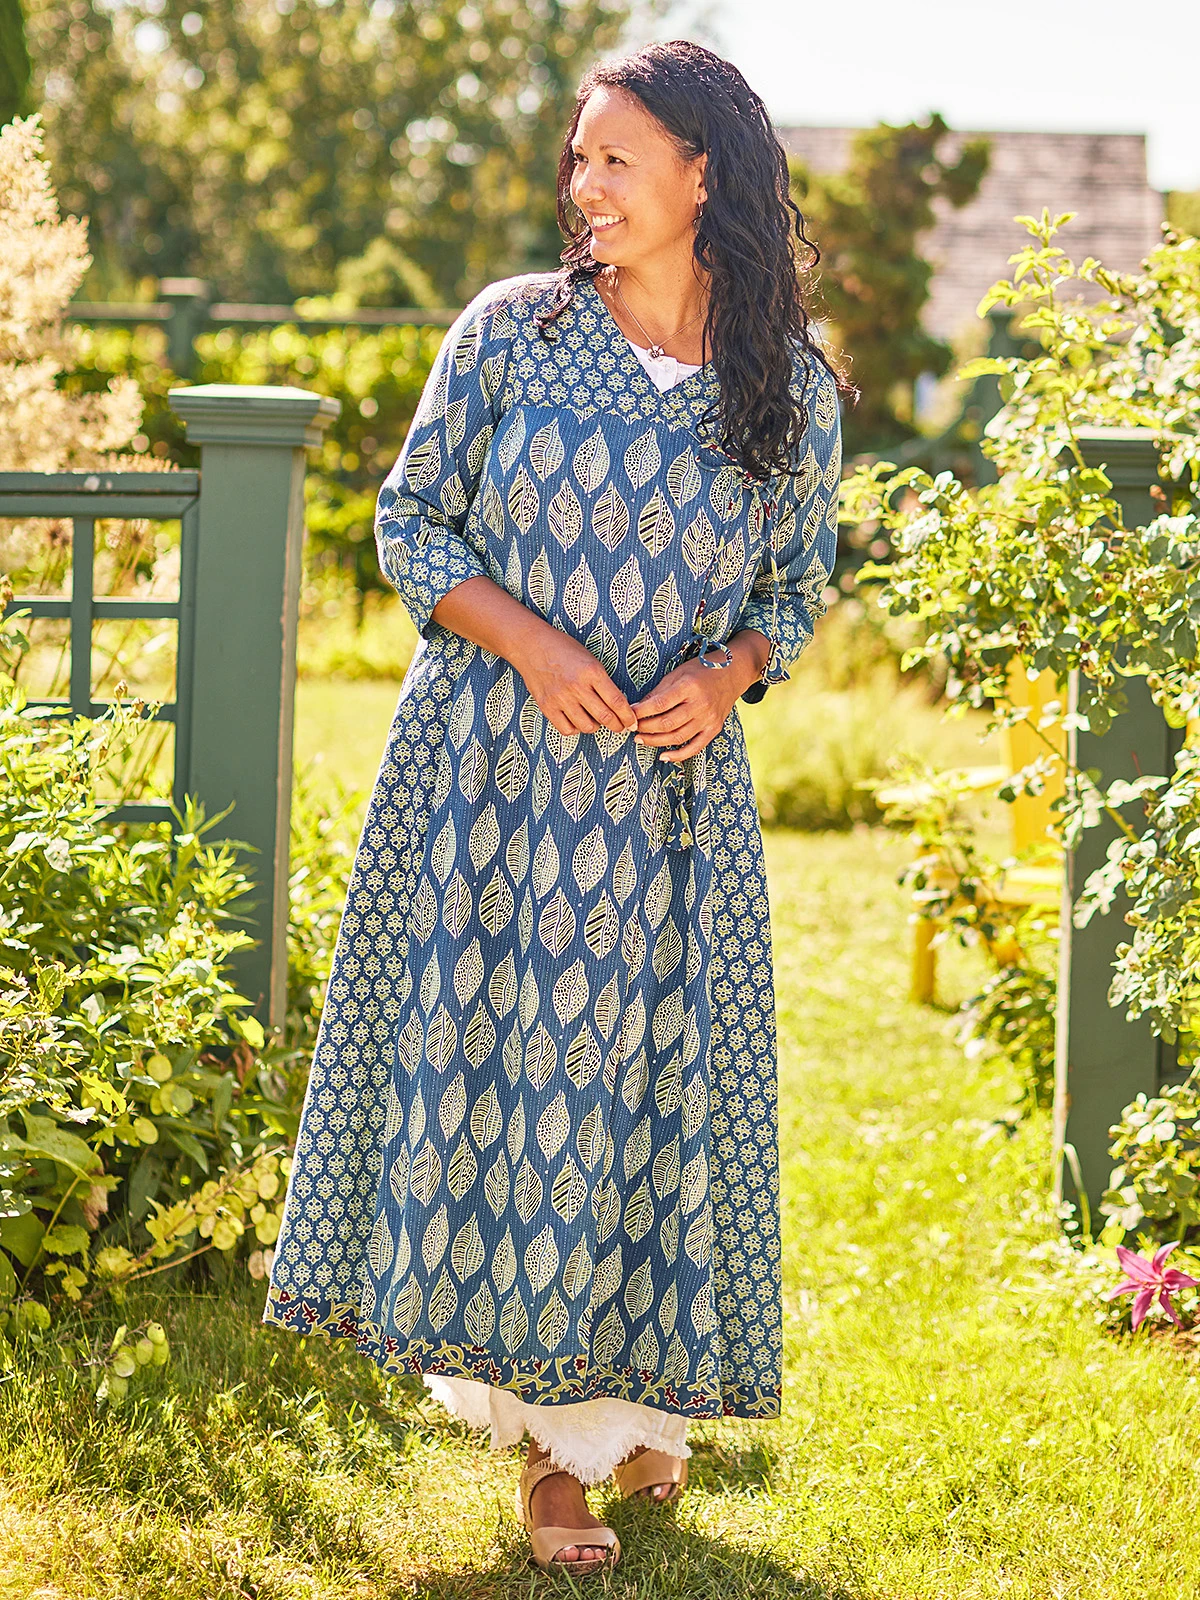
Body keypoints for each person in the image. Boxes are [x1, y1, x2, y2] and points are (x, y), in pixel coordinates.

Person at [263, 37, 845, 1576]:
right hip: (494, 785)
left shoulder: (784, 385)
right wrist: (532, 644)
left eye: (615, 159)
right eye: (577, 159)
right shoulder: (513, 335)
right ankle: (553, 1461)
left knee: (647, 1093)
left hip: (666, 806)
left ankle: (637, 1409)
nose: (583, 186)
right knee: (515, 1089)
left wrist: (726, 672)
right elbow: (411, 519)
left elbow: (795, 588)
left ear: (703, 175)